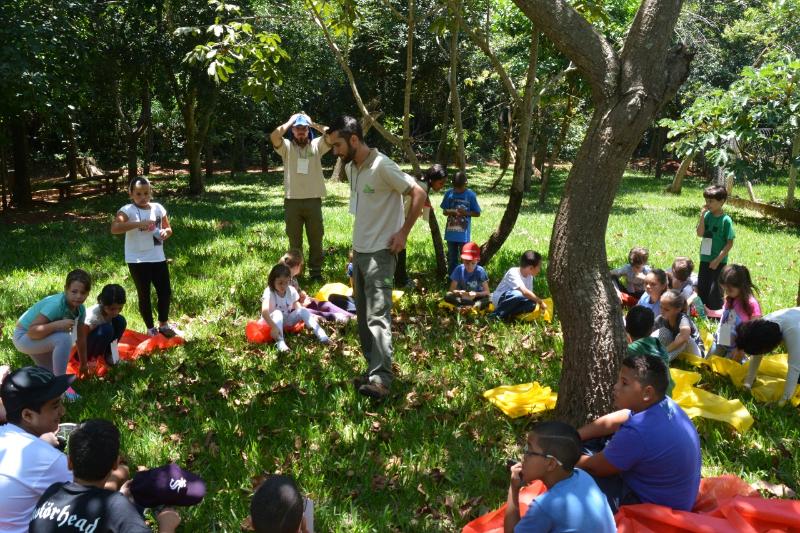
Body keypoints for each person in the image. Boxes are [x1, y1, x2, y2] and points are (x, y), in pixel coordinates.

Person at [327, 115, 426, 400]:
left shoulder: (383, 166)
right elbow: (363, 211)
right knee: (362, 317)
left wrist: (403, 233)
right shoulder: (352, 168)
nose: (335, 152)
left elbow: (418, 192)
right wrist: (355, 247)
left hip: (381, 254)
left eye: (338, 145)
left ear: (354, 139)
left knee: (378, 317)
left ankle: (382, 379)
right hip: (360, 252)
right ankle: (373, 370)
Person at [577, 353, 701, 513]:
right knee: (592, 442)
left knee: (577, 479)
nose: (616, 387)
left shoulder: (637, 432)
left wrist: (559, 456)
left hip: (653, 507)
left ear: (647, 393)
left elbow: (595, 468)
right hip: (677, 498)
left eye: (624, 383)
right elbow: (622, 417)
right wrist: (577, 435)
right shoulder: (665, 404)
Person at [29, 419, 180, 533]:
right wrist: (167, 524)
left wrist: (120, 499)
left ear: (69, 462)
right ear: (115, 464)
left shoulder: (51, 493)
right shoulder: (118, 508)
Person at [504, 421, 616, 533]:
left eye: (530, 451)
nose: (524, 456)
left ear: (551, 464)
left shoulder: (544, 506)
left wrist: (513, 489)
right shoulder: (583, 475)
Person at [0, 366, 73, 532]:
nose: (63, 410)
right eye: (55, 406)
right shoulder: (50, 460)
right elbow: (89, 491)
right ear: (27, 416)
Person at [111, 177, 179, 338]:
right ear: (131, 194)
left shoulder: (158, 208)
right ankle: (150, 328)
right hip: (137, 260)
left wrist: (165, 233)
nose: (143, 197)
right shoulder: (127, 210)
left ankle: (163, 324)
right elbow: (115, 228)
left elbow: (168, 228)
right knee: (144, 293)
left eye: (146, 193)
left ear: (151, 192)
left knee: (165, 291)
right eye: (139, 193)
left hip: (157, 257)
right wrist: (138, 224)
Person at [270, 112, 332, 280]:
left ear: (308, 129)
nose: (301, 132)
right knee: (294, 242)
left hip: (313, 200)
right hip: (292, 201)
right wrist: (290, 121)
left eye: (304, 128)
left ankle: (316, 272)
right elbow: (274, 136)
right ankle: (295, 273)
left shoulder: (317, 145)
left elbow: (332, 134)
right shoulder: (287, 147)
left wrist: (313, 123)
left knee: (316, 238)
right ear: (293, 131)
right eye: (298, 129)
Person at [13, 269, 91, 398]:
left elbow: (81, 337)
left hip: (42, 337)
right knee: (64, 338)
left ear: (88, 294)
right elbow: (33, 332)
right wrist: (57, 325)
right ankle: (61, 389)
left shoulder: (80, 309)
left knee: (50, 376)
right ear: (66, 289)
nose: (78, 296)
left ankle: (56, 390)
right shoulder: (56, 305)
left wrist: (83, 364)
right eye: (74, 292)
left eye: (83, 293)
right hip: (24, 337)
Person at [395, 164, 448, 288]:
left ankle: (399, 278)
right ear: (432, 180)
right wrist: (403, 228)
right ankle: (400, 280)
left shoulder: (422, 183)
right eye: (441, 183)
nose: (442, 186)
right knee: (400, 248)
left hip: (396, 217)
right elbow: (406, 207)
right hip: (398, 219)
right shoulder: (422, 187)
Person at [736, 307, 800, 406]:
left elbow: (795, 368)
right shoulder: (762, 326)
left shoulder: (793, 332)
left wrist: (782, 402)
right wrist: (747, 384)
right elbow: (757, 353)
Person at [261, 263, 330, 352]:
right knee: (278, 313)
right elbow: (264, 312)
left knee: (303, 310)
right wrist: (273, 327)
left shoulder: (291, 290)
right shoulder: (269, 291)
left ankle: (322, 336)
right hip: (270, 323)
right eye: (280, 283)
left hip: (286, 320)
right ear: (272, 281)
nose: (283, 286)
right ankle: (280, 343)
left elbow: (298, 308)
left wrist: (308, 317)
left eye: (286, 282)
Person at [281, 250, 353, 323]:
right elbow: (285, 306)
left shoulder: (293, 278)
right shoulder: (283, 283)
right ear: (297, 266)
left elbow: (297, 293)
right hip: (291, 312)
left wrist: (301, 295)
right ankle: (338, 318)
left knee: (323, 303)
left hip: (300, 305)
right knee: (311, 312)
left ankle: (350, 316)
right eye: (301, 266)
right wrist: (303, 305)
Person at [709, 264, 761, 361]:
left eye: (730, 290)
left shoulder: (751, 303)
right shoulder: (731, 298)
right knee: (708, 362)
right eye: (725, 289)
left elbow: (753, 329)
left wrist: (741, 348)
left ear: (741, 286)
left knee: (728, 370)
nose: (727, 293)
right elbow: (725, 313)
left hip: (735, 347)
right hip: (721, 341)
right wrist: (711, 312)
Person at [696, 185, 735, 312]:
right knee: (702, 285)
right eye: (706, 200)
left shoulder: (726, 220)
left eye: (711, 201)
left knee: (715, 288)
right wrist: (702, 216)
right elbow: (700, 233)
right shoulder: (707, 216)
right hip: (705, 257)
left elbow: (729, 243)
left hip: (719, 261)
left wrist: (718, 260)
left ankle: (715, 312)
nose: (708, 204)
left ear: (722, 201)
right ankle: (701, 310)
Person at [625, 306, 674, 396]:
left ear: (626, 328)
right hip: (667, 398)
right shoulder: (658, 344)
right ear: (651, 329)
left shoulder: (629, 351)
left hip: (648, 402)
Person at [440, 170, 481, 276]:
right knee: (452, 258)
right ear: (452, 184)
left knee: (465, 257)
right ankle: (452, 279)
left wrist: (466, 212)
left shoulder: (470, 195)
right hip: (451, 233)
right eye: (456, 187)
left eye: (460, 187)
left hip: (463, 235)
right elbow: (444, 211)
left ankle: (465, 278)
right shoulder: (449, 193)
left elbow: (477, 213)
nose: (458, 190)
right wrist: (452, 211)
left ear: (466, 184)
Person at [490, 251, 547, 320]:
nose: (539, 270)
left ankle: (507, 314)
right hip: (500, 299)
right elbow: (524, 292)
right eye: (539, 267)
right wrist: (540, 302)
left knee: (532, 304)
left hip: (517, 301)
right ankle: (495, 315)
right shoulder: (513, 272)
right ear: (531, 268)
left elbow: (529, 296)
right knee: (518, 294)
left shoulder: (530, 277)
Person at [82, 284, 127, 365]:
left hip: (101, 344)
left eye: (120, 308)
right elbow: (80, 338)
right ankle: (93, 360)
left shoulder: (114, 315)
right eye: (112, 309)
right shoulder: (93, 317)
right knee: (107, 330)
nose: (116, 312)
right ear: (102, 303)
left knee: (121, 321)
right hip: (83, 350)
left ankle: (110, 355)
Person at [653, 289, 705, 360]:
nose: (662, 311)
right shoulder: (661, 319)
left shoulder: (683, 318)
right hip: (677, 351)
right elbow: (650, 335)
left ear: (678, 309)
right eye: (661, 307)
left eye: (666, 309)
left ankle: (663, 361)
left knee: (683, 338)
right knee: (663, 331)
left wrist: (664, 351)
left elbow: (684, 338)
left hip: (695, 353)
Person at [444, 242, 490, 310]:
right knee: (447, 295)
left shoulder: (480, 271)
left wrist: (476, 294)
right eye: (467, 263)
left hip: (476, 297)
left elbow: (487, 292)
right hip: (461, 297)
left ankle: (466, 306)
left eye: (473, 263)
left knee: (489, 298)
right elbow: (451, 290)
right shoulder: (459, 269)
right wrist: (459, 293)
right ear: (462, 260)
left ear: (478, 260)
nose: (470, 266)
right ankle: (471, 306)